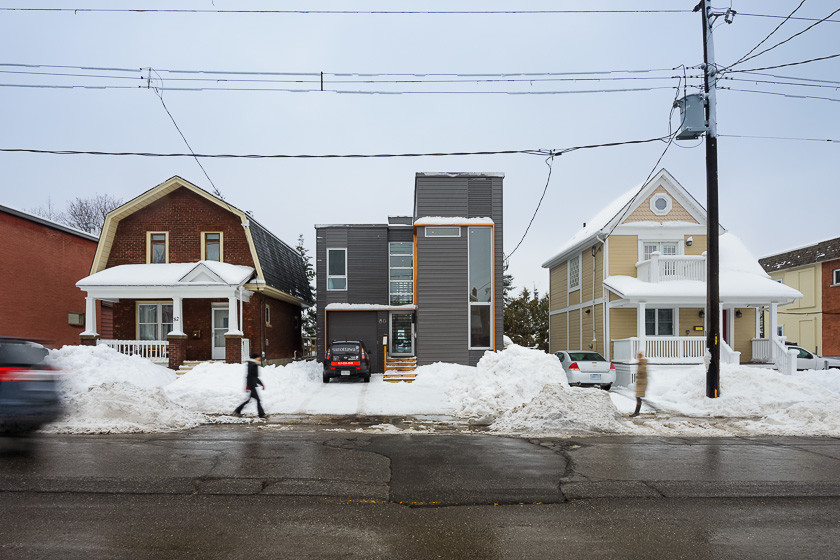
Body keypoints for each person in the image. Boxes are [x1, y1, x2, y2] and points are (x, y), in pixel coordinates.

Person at [234, 353, 266, 418]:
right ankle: (261, 414)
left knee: (249, 400)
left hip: (252, 385)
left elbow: (255, 377)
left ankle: (237, 410)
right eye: (258, 357)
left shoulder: (254, 364)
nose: (259, 358)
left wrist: (261, 384)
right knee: (258, 400)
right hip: (252, 385)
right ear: (255, 358)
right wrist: (247, 386)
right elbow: (249, 376)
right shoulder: (252, 365)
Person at [630, 351, 648, 418]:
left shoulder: (643, 365)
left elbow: (643, 374)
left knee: (638, 397)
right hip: (640, 383)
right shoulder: (640, 364)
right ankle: (636, 412)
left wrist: (638, 377)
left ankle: (636, 412)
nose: (638, 358)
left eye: (639, 357)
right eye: (638, 357)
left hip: (642, 383)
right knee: (638, 397)